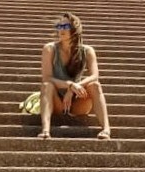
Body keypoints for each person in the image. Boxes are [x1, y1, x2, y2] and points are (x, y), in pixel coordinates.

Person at [38, 11, 111, 140]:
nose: (61, 29)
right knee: (46, 85)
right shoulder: (50, 49)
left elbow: (94, 75)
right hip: (57, 101)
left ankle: (106, 129)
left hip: (77, 102)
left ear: (74, 29)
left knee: (95, 85)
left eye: (65, 26)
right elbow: (47, 77)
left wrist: (73, 89)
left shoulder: (87, 51)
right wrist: (70, 85)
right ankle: (45, 131)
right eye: (59, 26)